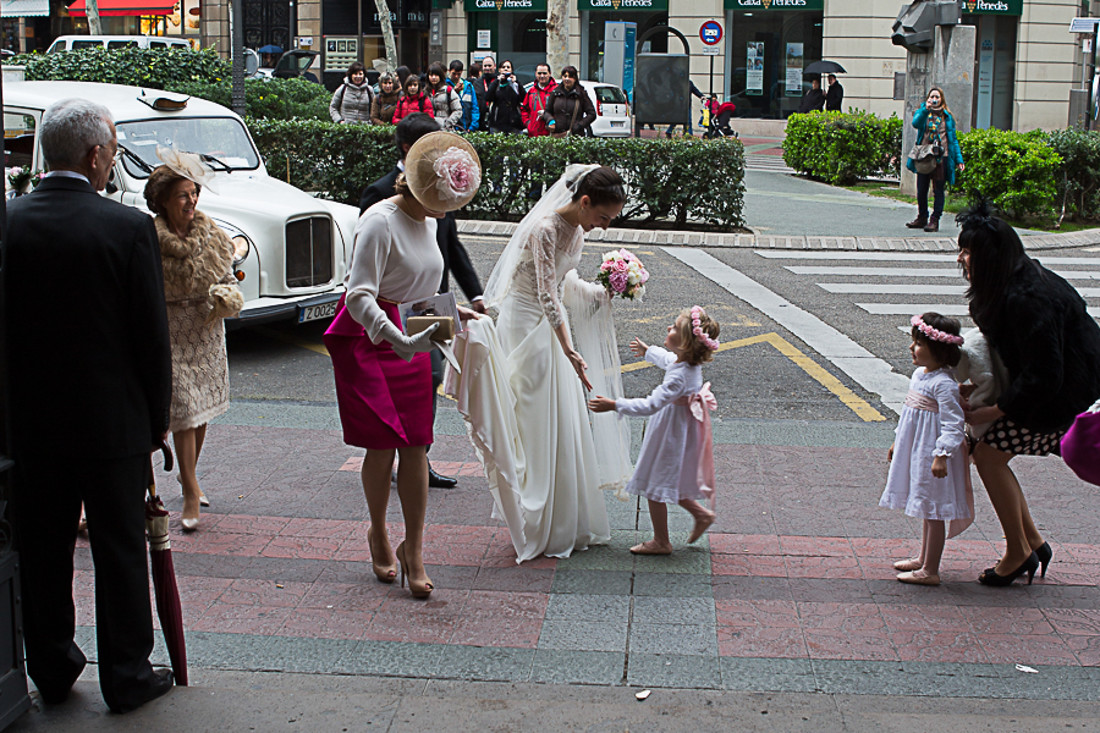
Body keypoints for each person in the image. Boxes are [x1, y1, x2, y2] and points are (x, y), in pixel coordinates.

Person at [5, 98, 175, 711]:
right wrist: (157, 421)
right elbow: (150, 338)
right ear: (96, 155)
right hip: (112, 424)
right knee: (120, 550)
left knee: (42, 550)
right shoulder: (125, 228)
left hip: (30, 427)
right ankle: (126, 675)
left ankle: (51, 667)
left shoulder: (10, 221)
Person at [326, 130, 482, 597]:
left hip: (415, 332)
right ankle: (378, 530)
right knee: (381, 446)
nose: (447, 210)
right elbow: (358, 295)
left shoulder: (434, 222)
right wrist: (394, 337)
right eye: (442, 201)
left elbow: (425, 287)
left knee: (417, 445)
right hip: (373, 337)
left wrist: (455, 312)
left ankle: (414, 547)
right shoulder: (379, 220)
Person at [449, 165, 632, 562]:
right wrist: (569, 348)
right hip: (526, 320)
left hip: (552, 327)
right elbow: (548, 295)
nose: (603, 227)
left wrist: (602, 292)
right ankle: (532, 514)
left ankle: (563, 517)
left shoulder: (578, 230)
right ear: (585, 202)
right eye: (602, 217)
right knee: (532, 414)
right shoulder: (544, 229)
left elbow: (565, 282)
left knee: (562, 418)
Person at [955, 202, 1100, 586]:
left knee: (988, 456)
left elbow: (1044, 374)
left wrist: (995, 410)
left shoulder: (1027, 298)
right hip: (1050, 386)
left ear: (989, 257)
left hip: (1065, 393)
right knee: (989, 455)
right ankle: (1032, 543)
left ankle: (1020, 551)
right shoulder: (1009, 282)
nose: (961, 258)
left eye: (968, 251)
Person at [358, 113, 486, 488]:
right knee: (382, 434)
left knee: (430, 381)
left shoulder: (436, 210)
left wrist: (466, 302)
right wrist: (396, 337)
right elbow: (361, 286)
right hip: (386, 323)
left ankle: (417, 460)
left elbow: (452, 250)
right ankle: (381, 520)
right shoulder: (380, 203)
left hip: (427, 311)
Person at [144, 150, 244, 531]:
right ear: (164, 199)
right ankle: (189, 490)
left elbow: (228, 278)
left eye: (194, 193)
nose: (191, 201)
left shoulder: (212, 233)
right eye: (183, 195)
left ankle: (191, 477)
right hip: (171, 329)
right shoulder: (149, 237)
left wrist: (225, 295)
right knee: (184, 411)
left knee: (201, 413)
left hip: (205, 328)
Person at [588, 306, 721, 555]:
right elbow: (668, 360)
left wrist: (614, 404)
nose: (669, 328)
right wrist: (649, 351)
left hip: (669, 435)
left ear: (685, 345)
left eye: (675, 329)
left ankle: (662, 541)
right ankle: (701, 514)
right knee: (667, 481)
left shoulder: (678, 377)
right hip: (679, 429)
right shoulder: (687, 365)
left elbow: (650, 404)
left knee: (653, 484)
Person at [879, 313, 971, 586]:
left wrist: (941, 455)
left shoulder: (943, 383)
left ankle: (931, 569)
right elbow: (909, 413)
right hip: (917, 448)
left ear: (938, 350)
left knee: (933, 510)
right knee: (925, 506)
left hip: (931, 452)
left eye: (918, 343)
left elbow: (954, 424)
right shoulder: (920, 375)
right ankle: (924, 558)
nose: (912, 348)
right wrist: (898, 441)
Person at [905, 87, 964, 233]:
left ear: (942, 99)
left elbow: (953, 140)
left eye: (937, 97)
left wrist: (959, 159)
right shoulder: (923, 112)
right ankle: (922, 217)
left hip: (941, 157)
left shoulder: (947, 117)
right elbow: (915, 124)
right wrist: (926, 109)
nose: (935, 99)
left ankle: (935, 219)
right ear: (928, 98)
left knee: (938, 190)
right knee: (921, 189)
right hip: (925, 156)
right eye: (932, 96)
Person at [545, 66, 597, 137]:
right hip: (557, 136)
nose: (567, 79)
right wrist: (551, 121)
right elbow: (547, 111)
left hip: (575, 137)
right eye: (565, 76)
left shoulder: (581, 94)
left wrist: (579, 126)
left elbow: (592, 114)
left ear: (575, 78)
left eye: (570, 77)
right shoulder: (555, 93)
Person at [485, 59, 524, 134]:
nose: (506, 69)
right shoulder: (496, 83)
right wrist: (497, 81)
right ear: (499, 70)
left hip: (514, 123)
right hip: (498, 122)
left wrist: (517, 83)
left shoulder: (515, 84)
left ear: (512, 70)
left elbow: (523, 98)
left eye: (508, 67)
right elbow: (488, 97)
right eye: (503, 67)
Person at [521, 63, 557, 137]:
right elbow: (524, 110)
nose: (542, 76)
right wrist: (528, 124)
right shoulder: (531, 91)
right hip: (534, 135)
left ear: (550, 74)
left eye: (544, 73)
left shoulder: (556, 91)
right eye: (539, 73)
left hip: (551, 135)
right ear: (535, 74)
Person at [424, 62, 462, 131]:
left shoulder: (448, 90)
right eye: (431, 75)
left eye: (436, 75)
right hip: (428, 129)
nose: (433, 78)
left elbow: (458, 110)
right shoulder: (425, 92)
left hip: (445, 129)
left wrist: (447, 123)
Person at [460, 62, 482, 132]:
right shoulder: (476, 85)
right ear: (479, 72)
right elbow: (475, 106)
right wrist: (473, 126)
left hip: (463, 123)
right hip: (471, 123)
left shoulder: (465, 83)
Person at [476, 56, 496, 131]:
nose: (487, 68)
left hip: (496, 120)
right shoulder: (477, 83)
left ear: (495, 66)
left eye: (489, 65)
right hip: (480, 120)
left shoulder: (499, 81)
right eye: (485, 66)